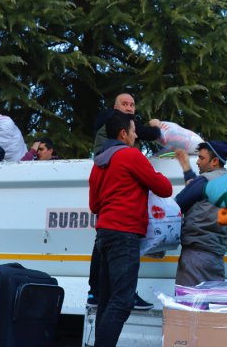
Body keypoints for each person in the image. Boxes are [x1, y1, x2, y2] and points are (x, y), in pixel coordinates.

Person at [89, 111, 172, 347]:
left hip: (103, 235)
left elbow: (94, 205)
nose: (137, 136)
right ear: (123, 133)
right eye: (134, 131)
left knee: (106, 301)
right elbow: (164, 188)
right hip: (124, 234)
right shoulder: (130, 156)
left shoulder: (99, 163)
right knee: (122, 301)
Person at [88, 93, 160, 311]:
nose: (128, 108)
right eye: (124, 104)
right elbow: (148, 133)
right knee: (121, 260)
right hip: (123, 217)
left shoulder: (102, 158)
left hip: (107, 205)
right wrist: (156, 126)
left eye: (131, 105)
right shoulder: (116, 122)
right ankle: (123, 294)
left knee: (101, 246)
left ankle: (97, 292)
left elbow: (94, 204)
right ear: (114, 106)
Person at [173, 140, 227, 286]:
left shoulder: (204, 181)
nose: (198, 162)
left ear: (214, 161)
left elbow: (178, 204)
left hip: (196, 256)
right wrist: (185, 166)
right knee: (210, 304)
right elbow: (195, 192)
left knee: (187, 306)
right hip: (215, 256)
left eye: (201, 158)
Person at [93, 93, 161, 155]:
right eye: (124, 104)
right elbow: (152, 134)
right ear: (115, 107)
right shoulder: (118, 119)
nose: (129, 109)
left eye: (132, 105)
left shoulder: (107, 118)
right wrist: (155, 125)